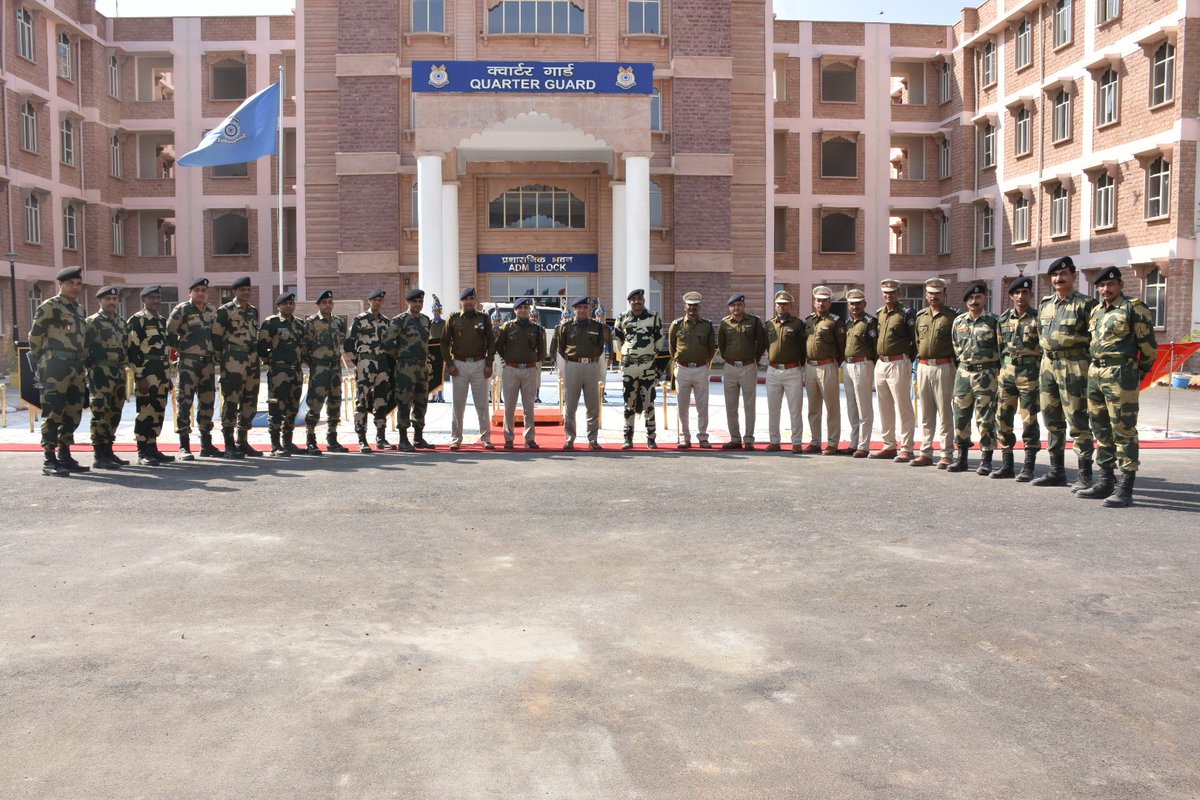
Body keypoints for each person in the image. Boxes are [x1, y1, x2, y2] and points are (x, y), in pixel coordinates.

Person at [1077, 266, 1158, 507]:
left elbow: (1149, 347)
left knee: (1123, 429)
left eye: (1110, 284)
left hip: (1121, 373)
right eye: (1101, 285)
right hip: (1096, 372)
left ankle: (1126, 486)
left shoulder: (1133, 308)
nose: (1105, 289)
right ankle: (1105, 480)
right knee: (1100, 428)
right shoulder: (1096, 312)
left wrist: (1137, 372)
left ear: (1120, 285)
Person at [1032, 256, 1098, 490]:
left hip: (1074, 366)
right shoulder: (1045, 304)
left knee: (1078, 420)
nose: (1059, 279)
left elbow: (1095, 338)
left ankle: (1085, 474)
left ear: (1073, 276)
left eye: (1064, 275)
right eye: (1055, 275)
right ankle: (1056, 471)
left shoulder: (1086, 304)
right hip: (1048, 366)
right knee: (1052, 420)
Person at [27, 266, 89, 476]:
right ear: (60, 285)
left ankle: (64, 454)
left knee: (73, 412)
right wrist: (40, 362)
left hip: (76, 367)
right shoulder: (49, 307)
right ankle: (49, 458)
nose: (75, 287)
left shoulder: (80, 310)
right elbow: (35, 336)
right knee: (53, 412)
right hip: (54, 367)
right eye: (71, 283)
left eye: (78, 284)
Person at [948, 283, 1001, 474]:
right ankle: (961, 457)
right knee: (960, 417)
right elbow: (956, 346)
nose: (974, 301)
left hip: (986, 374)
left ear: (985, 299)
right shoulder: (958, 322)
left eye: (978, 297)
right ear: (966, 301)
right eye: (970, 298)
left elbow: (1001, 349)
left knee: (985, 418)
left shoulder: (994, 322)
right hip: (963, 374)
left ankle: (986, 459)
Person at [993, 276, 1042, 480]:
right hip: (1007, 373)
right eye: (1017, 293)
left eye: (1025, 293)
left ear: (1030, 295)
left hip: (1029, 373)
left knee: (1029, 419)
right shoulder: (1003, 319)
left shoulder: (1038, 319)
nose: (1021, 296)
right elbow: (1000, 348)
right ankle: (1007, 464)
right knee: (1003, 417)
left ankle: (1029, 466)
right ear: (1011, 296)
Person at [166, 276, 220, 460]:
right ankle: (184, 446)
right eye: (197, 290)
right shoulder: (181, 310)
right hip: (189, 362)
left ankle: (206, 444)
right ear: (190, 292)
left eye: (204, 290)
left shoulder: (212, 311)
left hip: (208, 363)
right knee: (185, 402)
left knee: (207, 402)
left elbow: (217, 335)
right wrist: (180, 350)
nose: (201, 293)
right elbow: (170, 332)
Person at [210, 275, 259, 459]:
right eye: (242, 290)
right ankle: (229, 444)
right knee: (231, 401)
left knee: (249, 402)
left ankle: (242, 441)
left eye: (248, 290)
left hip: (251, 360)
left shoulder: (253, 311)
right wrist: (221, 357)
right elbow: (216, 335)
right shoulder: (226, 311)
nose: (246, 293)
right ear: (234, 292)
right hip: (233, 360)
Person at [126, 285, 175, 466]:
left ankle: (153, 447)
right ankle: (142, 451)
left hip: (161, 372)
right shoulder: (137, 320)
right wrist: (139, 377)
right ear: (144, 300)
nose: (156, 300)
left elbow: (165, 350)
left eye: (157, 297)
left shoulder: (162, 321)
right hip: (147, 373)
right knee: (145, 411)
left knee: (158, 411)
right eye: (151, 297)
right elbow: (133, 350)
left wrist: (168, 376)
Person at [613, 288, 667, 450]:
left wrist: (649, 355)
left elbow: (659, 340)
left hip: (647, 366)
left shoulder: (653, 317)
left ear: (643, 300)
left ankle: (651, 438)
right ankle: (628, 438)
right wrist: (627, 356)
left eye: (640, 299)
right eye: (634, 299)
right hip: (629, 367)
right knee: (629, 403)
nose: (637, 301)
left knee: (649, 403)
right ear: (630, 302)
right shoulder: (622, 317)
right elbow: (619, 341)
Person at [443, 287, 496, 451]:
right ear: (461, 301)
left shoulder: (484, 318)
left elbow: (491, 342)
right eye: (465, 299)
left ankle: (486, 438)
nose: (469, 302)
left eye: (471, 298)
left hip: (479, 365)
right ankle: (456, 438)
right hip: (458, 365)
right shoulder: (453, 319)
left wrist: (489, 364)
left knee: (482, 404)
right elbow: (444, 343)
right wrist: (450, 364)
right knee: (458, 404)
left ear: (475, 300)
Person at [556, 295, 611, 450]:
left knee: (592, 405)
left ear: (589, 309)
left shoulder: (597, 327)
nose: (582, 310)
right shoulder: (565, 327)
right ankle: (569, 438)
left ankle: (592, 439)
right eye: (579, 308)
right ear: (574, 309)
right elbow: (561, 348)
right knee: (571, 405)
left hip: (591, 366)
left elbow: (600, 347)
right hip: (573, 366)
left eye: (585, 308)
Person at [84, 285, 130, 470]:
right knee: (100, 413)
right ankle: (99, 455)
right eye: (108, 299)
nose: (112, 302)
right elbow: (84, 348)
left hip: (118, 372)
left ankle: (109, 451)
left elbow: (125, 347)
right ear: (100, 301)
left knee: (115, 412)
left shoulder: (121, 322)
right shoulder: (92, 322)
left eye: (114, 299)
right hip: (100, 372)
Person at [872, 278, 917, 462]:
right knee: (884, 406)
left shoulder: (906, 313)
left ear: (898, 293)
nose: (888, 295)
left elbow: (915, 340)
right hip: (881, 363)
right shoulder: (880, 313)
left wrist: (908, 360)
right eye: (885, 293)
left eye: (892, 292)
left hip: (899, 362)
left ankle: (907, 447)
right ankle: (889, 444)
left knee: (903, 405)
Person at [912, 277, 956, 468]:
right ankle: (926, 452)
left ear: (944, 294)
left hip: (943, 366)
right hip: (923, 366)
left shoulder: (952, 317)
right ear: (926, 294)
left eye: (938, 293)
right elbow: (917, 342)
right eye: (931, 293)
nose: (934, 296)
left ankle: (946, 453)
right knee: (926, 413)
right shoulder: (921, 316)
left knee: (945, 411)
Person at [345, 288, 394, 453]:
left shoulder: (386, 322)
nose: (378, 303)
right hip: (365, 364)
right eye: (375, 300)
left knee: (381, 401)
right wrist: (357, 362)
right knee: (362, 401)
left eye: (381, 300)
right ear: (369, 301)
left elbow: (389, 344)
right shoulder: (360, 320)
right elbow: (348, 345)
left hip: (382, 365)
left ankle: (381, 438)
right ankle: (362, 439)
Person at [386, 288, 435, 451]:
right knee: (404, 402)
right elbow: (387, 342)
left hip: (421, 366)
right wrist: (399, 355)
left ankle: (418, 437)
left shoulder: (426, 320)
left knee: (421, 402)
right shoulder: (400, 320)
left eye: (420, 301)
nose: (418, 304)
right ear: (408, 302)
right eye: (415, 301)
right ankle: (403, 439)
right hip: (405, 367)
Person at [258, 291, 305, 457]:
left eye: (291, 303)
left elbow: (303, 347)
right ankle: (275, 444)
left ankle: (287, 442)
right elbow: (262, 348)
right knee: (276, 408)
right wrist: (272, 363)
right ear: (278, 306)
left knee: (292, 408)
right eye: (285, 303)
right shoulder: (271, 323)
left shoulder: (299, 324)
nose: (289, 306)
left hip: (296, 371)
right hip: (278, 372)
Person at [495, 296, 546, 449]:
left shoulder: (536, 329)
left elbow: (542, 350)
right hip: (511, 369)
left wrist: (535, 362)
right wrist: (506, 360)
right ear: (515, 310)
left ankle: (529, 438)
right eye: (520, 308)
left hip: (529, 370)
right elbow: (499, 346)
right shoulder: (507, 327)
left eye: (526, 308)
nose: (523, 310)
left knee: (529, 406)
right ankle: (509, 438)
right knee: (509, 406)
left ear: (529, 310)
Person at [717, 293, 767, 450]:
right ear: (729, 307)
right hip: (730, 367)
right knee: (731, 405)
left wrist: (755, 359)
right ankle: (735, 438)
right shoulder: (724, 324)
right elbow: (722, 345)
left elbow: (762, 342)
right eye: (733, 305)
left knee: (749, 405)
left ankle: (749, 439)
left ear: (744, 306)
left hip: (748, 367)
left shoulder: (754, 322)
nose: (736, 308)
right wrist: (729, 359)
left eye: (739, 304)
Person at [668, 292, 718, 449]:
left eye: (695, 306)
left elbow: (711, 349)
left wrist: (703, 361)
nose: (692, 309)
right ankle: (684, 437)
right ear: (685, 307)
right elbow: (672, 347)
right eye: (689, 306)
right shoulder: (676, 325)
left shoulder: (707, 325)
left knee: (702, 405)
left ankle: (703, 437)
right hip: (682, 369)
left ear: (699, 307)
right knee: (682, 406)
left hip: (700, 369)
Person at [302, 289, 349, 454]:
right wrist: (315, 365)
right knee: (315, 404)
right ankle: (310, 439)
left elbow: (341, 343)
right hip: (319, 368)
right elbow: (304, 348)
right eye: (324, 303)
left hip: (335, 368)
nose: (327, 305)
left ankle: (332, 438)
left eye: (330, 302)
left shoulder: (337, 322)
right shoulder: (311, 322)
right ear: (318, 305)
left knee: (335, 403)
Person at [803, 285, 846, 455]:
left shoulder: (835, 321)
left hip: (827, 366)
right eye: (818, 300)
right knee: (813, 408)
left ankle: (833, 443)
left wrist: (834, 363)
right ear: (814, 302)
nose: (821, 303)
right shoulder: (808, 321)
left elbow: (842, 347)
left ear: (830, 303)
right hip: (810, 367)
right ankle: (815, 441)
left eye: (824, 301)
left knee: (832, 407)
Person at [764, 290, 806, 452]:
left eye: (785, 304)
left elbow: (803, 347)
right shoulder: (769, 324)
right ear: (775, 305)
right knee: (773, 408)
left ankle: (796, 442)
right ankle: (774, 441)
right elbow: (766, 345)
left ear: (790, 306)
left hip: (792, 370)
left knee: (795, 409)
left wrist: (799, 365)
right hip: (773, 370)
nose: (781, 307)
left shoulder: (798, 324)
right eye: (779, 304)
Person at [842, 288, 877, 458]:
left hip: (863, 364)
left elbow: (876, 346)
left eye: (857, 304)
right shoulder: (848, 322)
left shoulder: (870, 322)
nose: (854, 307)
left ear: (864, 304)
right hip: (848, 366)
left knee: (864, 407)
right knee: (851, 407)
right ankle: (854, 442)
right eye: (851, 304)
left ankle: (864, 445)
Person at [428, 295, 446, 402]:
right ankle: (433, 395)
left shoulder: (444, 323)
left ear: (440, 311)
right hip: (432, 351)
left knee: (441, 373)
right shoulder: (430, 323)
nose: (436, 313)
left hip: (442, 350)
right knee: (432, 373)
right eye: (434, 311)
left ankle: (440, 395)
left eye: (438, 311)